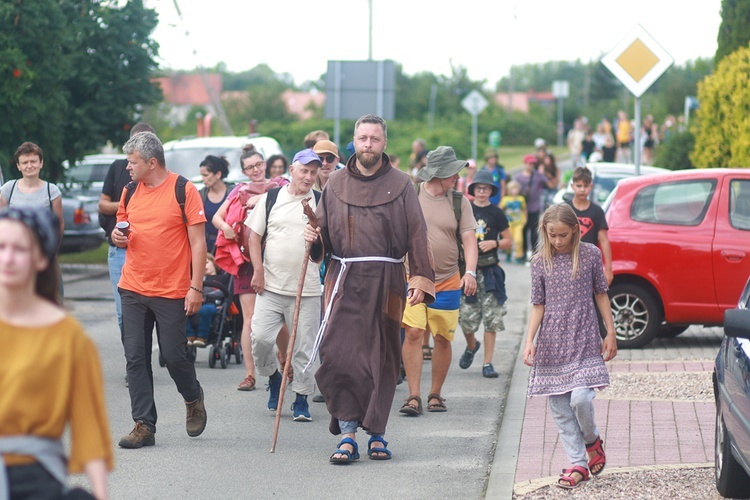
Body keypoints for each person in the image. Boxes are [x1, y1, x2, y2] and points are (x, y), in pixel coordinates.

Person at [303, 114, 435, 463]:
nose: (368, 145)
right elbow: (322, 239)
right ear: (354, 141)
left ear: (384, 144)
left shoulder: (403, 184)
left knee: (383, 358)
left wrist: (421, 277)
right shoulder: (335, 184)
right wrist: (313, 239)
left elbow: (418, 234)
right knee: (341, 355)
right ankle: (347, 433)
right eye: (362, 138)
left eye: (374, 139)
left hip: (388, 281)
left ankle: (377, 433)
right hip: (343, 280)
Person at [0, 206, 112, 499]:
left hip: (36, 477)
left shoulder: (68, 337)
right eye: (1, 247)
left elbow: (88, 425)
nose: (7, 258)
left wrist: (100, 493)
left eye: (19, 249)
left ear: (40, 258)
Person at [112, 131, 208, 448]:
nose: (128, 167)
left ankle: (192, 397)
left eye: (133, 162)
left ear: (152, 162)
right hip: (133, 287)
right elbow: (120, 228)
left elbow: (198, 242)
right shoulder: (128, 192)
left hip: (171, 289)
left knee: (174, 355)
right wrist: (117, 237)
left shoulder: (183, 190)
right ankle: (144, 425)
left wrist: (196, 286)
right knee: (135, 358)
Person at [522, 203, 617, 489]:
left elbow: (601, 294)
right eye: (552, 235)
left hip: (585, 337)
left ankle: (591, 441)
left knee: (580, 399)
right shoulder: (540, 261)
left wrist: (610, 332)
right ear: (545, 232)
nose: (558, 241)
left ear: (575, 230)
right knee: (561, 408)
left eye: (563, 235)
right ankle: (577, 464)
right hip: (552, 342)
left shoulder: (590, 255)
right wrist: (529, 341)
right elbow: (538, 305)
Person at [401, 145, 478, 415]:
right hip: (413, 279)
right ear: (438, 174)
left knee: (442, 338)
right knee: (413, 333)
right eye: (452, 172)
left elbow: (469, 239)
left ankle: (435, 393)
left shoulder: (460, 201)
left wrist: (470, 272)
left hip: (448, 280)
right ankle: (413, 395)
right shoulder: (410, 195)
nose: (457, 177)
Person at [246, 149, 322, 421]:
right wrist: (258, 270)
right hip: (271, 286)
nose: (309, 177)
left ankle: (301, 397)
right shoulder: (272, 198)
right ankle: (274, 378)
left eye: (313, 172)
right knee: (261, 339)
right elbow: (253, 236)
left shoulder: (321, 203)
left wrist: (317, 238)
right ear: (291, 169)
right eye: (304, 170)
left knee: (303, 346)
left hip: (308, 289)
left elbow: (328, 249)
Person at [212, 144, 285, 392]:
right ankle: (250, 374)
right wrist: (226, 228)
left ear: (264, 164)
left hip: (276, 259)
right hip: (246, 261)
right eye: (249, 167)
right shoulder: (238, 191)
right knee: (250, 318)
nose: (255, 170)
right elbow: (217, 218)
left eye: (258, 165)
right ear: (244, 171)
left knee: (282, 317)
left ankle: (284, 363)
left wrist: (263, 198)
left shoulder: (279, 186)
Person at [99, 123, 155, 340]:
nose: (143, 146)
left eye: (148, 141)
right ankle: (134, 361)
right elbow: (102, 205)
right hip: (120, 251)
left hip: (149, 251)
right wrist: (125, 205)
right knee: (124, 313)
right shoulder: (118, 168)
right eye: (138, 141)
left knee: (151, 311)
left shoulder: (160, 174)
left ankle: (143, 357)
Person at [457, 170, 512, 378]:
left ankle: (487, 363)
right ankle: (472, 346)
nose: (482, 192)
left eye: (486, 188)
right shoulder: (466, 209)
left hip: (491, 272)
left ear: (491, 191)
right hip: (469, 272)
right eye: (479, 188)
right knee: (465, 318)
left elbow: (509, 241)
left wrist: (495, 242)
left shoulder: (496, 213)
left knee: (492, 318)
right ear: (473, 190)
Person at [0, 142, 64, 242]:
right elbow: (2, 222)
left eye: (33, 161)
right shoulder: (8, 189)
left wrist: (53, 251)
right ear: (18, 166)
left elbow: (59, 224)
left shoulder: (52, 191)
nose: (29, 166)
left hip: (41, 248)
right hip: (15, 246)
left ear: (41, 163)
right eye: (25, 163)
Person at [565, 167, 613, 285]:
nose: (582, 190)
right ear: (572, 186)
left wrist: (608, 269)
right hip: (566, 261)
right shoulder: (565, 209)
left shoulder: (597, 211)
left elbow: (604, 240)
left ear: (591, 187)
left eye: (585, 186)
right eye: (579, 186)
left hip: (589, 263)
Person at [515, 154, 553, 262]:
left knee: (534, 232)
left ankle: (534, 252)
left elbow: (549, 184)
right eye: (529, 163)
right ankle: (522, 253)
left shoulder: (538, 175)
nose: (531, 166)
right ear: (525, 164)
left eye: (533, 164)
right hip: (521, 209)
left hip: (534, 207)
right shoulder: (518, 177)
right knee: (522, 230)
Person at [186, 253, 221, 347]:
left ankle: (202, 337)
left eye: (206, 263)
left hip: (213, 304)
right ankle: (189, 335)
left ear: (214, 263)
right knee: (181, 309)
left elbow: (224, 293)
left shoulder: (221, 278)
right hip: (196, 302)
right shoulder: (196, 279)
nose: (203, 266)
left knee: (205, 310)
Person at [500, 180, 527, 264]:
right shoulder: (505, 199)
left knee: (518, 240)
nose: (514, 190)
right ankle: (508, 253)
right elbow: (500, 209)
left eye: (516, 188)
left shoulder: (521, 199)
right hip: (508, 224)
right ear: (509, 190)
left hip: (518, 223)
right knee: (509, 240)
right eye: (512, 188)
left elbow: (524, 209)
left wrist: (525, 219)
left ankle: (519, 256)